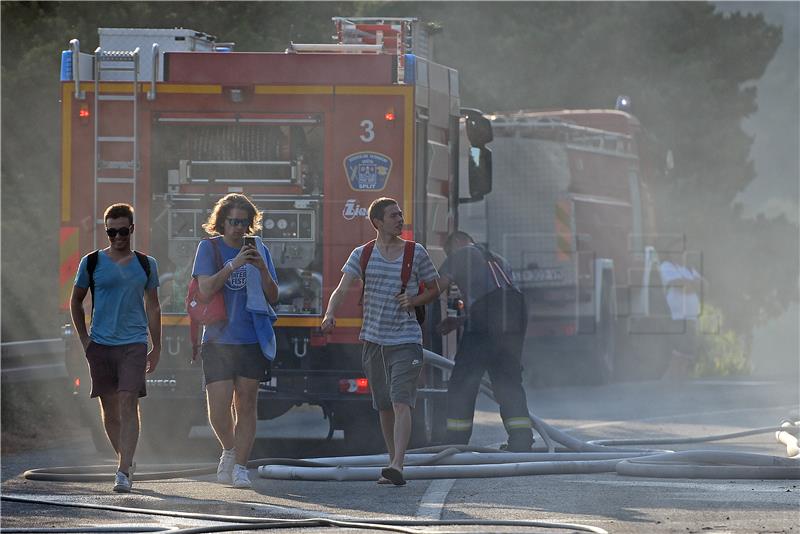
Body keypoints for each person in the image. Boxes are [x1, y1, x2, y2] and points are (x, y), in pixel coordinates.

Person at [321, 197, 440, 486]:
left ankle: (398, 464)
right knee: (385, 406)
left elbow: (436, 288)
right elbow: (342, 288)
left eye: (400, 214)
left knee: (401, 402)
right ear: (377, 222)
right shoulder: (362, 254)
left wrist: (414, 300)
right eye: (393, 216)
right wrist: (329, 314)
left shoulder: (415, 252)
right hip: (374, 341)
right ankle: (392, 461)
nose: (400, 219)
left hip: (406, 340)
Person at [70, 203, 161, 493]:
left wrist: (156, 345)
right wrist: (85, 340)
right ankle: (126, 458)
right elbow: (75, 302)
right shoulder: (92, 262)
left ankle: (122, 471)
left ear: (132, 229)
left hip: (133, 344)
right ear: (106, 231)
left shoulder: (146, 264)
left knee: (127, 401)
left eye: (123, 231)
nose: (118, 237)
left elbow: (154, 307)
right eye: (112, 232)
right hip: (101, 344)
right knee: (110, 409)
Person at [192, 193, 279, 489]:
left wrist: (262, 268)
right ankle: (229, 449)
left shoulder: (259, 249)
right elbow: (204, 290)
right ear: (222, 222)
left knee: (247, 404)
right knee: (218, 408)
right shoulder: (209, 248)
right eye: (233, 221)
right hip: (218, 337)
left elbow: (273, 296)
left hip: (250, 338)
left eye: (244, 222)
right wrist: (233, 264)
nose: (238, 228)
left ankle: (241, 466)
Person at [436, 231, 534, 452]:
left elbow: (437, 287)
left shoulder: (461, 253)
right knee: (507, 380)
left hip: (488, 316)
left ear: (459, 242)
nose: (449, 254)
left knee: (463, 381)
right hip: (516, 314)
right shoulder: (499, 260)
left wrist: (412, 300)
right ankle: (521, 440)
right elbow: (499, 300)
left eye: (448, 251)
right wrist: (460, 321)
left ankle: (455, 441)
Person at [659, 255, 703, 380]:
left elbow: (705, 286)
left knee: (688, 354)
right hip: (677, 317)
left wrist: (689, 283)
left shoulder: (688, 269)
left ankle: (680, 381)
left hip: (691, 318)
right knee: (680, 353)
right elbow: (680, 286)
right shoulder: (666, 266)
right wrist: (694, 283)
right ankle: (667, 382)